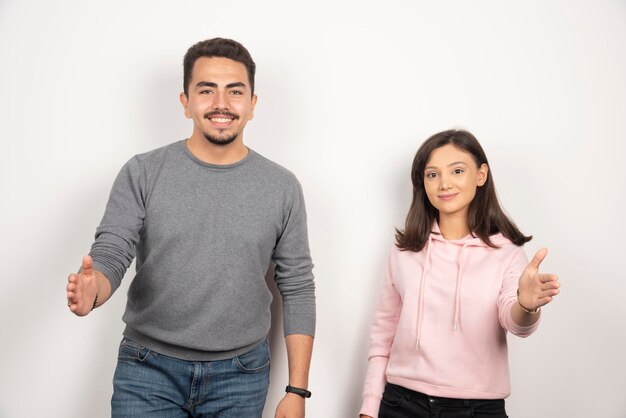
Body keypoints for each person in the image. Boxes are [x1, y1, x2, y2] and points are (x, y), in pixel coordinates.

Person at [66, 38, 316, 418]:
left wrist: (297, 390)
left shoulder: (282, 186)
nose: (221, 103)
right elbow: (112, 253)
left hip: (241, 376)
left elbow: (297, 286)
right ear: (185, 102)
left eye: (235, 91)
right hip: (147, 369)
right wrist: (94, 290)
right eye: (206, 90)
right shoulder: (143, 172)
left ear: (252, 104)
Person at [359, 129, 560, 418]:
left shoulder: (507, 252)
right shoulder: (405, 250)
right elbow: (383, 334)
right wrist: (369, 405)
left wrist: (526, 305)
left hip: (475, 409)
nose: (444, 183)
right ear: (422, 183)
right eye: (432, 174)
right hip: (399, 403)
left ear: (481, 175)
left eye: (457, 171)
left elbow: (515, 323)